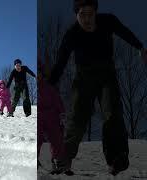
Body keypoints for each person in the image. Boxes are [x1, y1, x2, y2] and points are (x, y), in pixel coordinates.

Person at [47, 0, 147, 175]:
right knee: (78, 117)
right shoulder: (72, 34)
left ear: (96, 12)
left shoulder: (108, 21)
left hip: (107, 75)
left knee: (113, 112)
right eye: (82, 15)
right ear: (76, 14)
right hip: (83, 78)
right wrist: (48, 86)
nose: (87, 19)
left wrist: (139, 46)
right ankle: (65, 159)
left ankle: (116, 159)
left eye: (90, 14)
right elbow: (60, 63)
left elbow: (124, 32)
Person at [38, 61, 69, 175]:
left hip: (52, 115)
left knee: (56, 137)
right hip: (38, 116)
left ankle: (58, 160)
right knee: (37, 135)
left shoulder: (48, 87)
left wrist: (61, 113)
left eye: (39, 72)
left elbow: (57, 101)